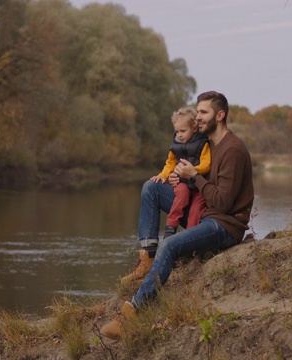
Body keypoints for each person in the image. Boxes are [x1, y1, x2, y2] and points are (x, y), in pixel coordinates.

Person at [102, 91, 254, 340]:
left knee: (171, 245)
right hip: (206, 212)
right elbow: (199, 181)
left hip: (224, 225)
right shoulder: (208, 144)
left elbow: (224, 202)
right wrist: (177, 178)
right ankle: (147, 259)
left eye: (203, 112)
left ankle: (131, 315)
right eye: (198, 111)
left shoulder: (233, 150)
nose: (198, 117)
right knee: (152, 188)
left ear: (220, 114)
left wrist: (194, 177)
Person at [149, 106, 210, 241]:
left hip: (198, 186)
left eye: (183, 131)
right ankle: (171, 228)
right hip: (182, 182)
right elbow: (170, 163)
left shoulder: (202, 143)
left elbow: (207, 164)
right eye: (177, 131)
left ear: (194, 129)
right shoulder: (175, 146)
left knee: (196, 209)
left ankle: (189, 239)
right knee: (181, 194)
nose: (179, 135)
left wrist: (192, 171)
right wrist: (162, 176)